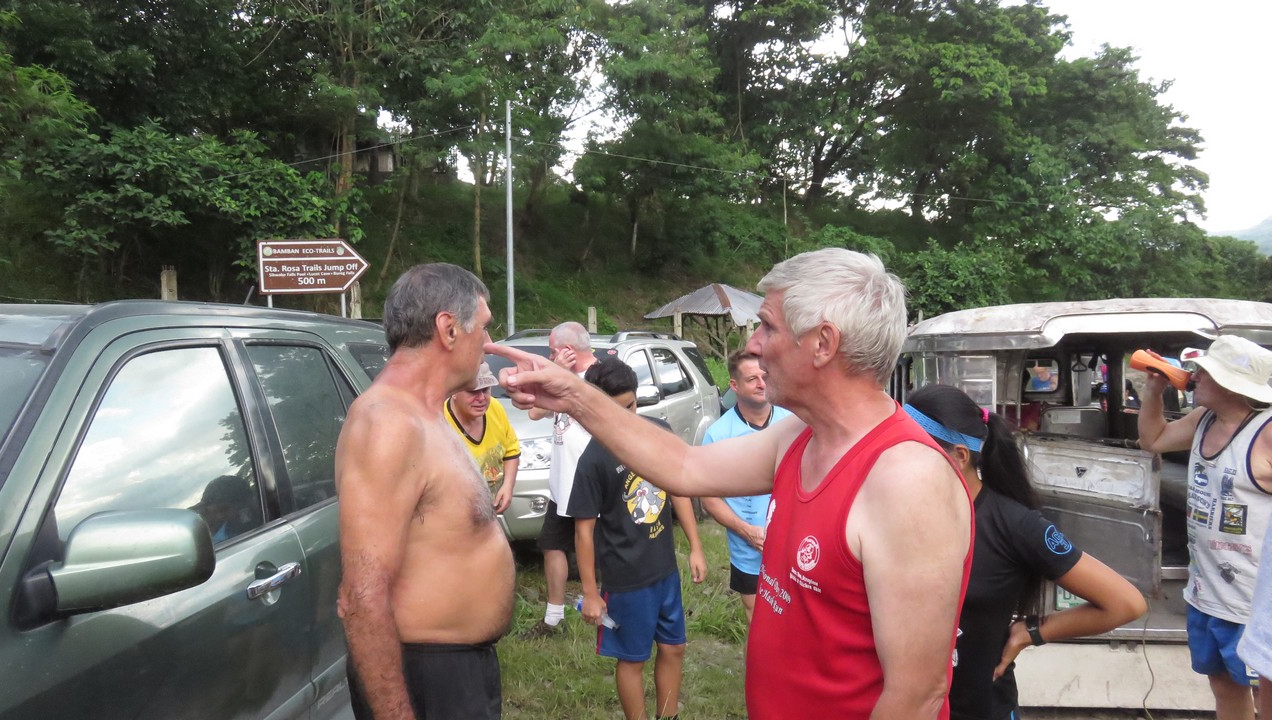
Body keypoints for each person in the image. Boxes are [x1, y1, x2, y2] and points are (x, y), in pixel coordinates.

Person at [491, 247, 975, 719]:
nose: (754, 345)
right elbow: (684, 466)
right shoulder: (801, 436)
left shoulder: (907, 480)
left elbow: (917, 695)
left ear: (823, 343)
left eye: (768, 326)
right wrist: (574, 395)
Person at [336, 263, 515, 720]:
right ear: (448, 329)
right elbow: (361, 597)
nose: (488, 344)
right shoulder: (388, 423)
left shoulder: (426, 414)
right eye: (484, 328)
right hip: (427, 677)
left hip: (456, 672)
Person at [905, 384, 1146, 720]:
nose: (893, 461)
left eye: (908, 450)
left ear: (959, 457)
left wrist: (1030, 632)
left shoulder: (1014, 524)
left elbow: (1126, 603)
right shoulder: (897, 514)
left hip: (981, 709)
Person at [1138, 335, 1272, 720]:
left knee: (1265, 697)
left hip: (1251, 602)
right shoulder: (1202, 420)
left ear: (1231, 384)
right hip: (1206, 591)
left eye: (1205, 373)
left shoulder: (1265, 432)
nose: (1195, 376)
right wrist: (1153, 392)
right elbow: (1153, 440)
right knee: (1223, 685)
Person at [569, 359, 707, 720]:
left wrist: (695, 546)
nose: (626, 417)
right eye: (615, 410)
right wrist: (590, 592)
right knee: (633, 659)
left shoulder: (657, 431)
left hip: (664, 569)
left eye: (630, 406)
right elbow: (583, 531)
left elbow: (678, 487)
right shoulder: (593, 459)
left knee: (674, 648)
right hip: (626, 579)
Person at [522, 321, 600, 638]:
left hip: (590, 482)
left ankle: (605, 609)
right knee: (552, 545)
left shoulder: (600, 376)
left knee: (599, 547)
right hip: (561, 482)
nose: (551, 357)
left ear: (567, 350)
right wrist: (557, 375)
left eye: (553, 352)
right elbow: (534, 412)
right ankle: (554, 619)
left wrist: (562, 376)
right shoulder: (561, 376)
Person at [700, 351, 792, 623]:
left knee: (794, 617)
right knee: (758, 616)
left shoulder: (793, 423)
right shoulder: (719, 435)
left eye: (765, 376)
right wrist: (746, 531)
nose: (762, 384)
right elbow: (709, 498)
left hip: (793, 542)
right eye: (752, 379)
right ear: (734, 385)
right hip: (749, 548)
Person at [444, 362, 520, 513]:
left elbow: (511, 450)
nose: (481, 398)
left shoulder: (495, 408)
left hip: (490, 510)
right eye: (472, 391)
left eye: (485, 390)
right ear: (453, 391)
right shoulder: (439, 422)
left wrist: (508, 486)